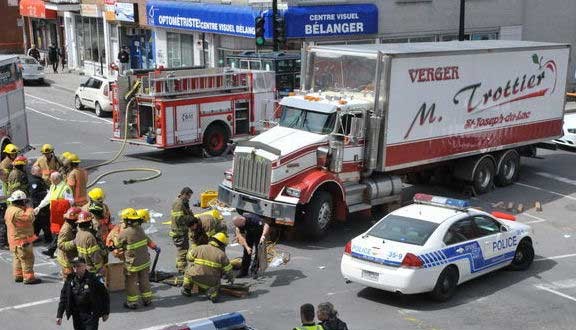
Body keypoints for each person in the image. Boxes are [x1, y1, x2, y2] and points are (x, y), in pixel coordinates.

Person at [114, 208, 159, 309]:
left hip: (133, 263)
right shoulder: (140, 229)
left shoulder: (124, 233)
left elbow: (117, 245)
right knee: (144, 280)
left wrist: (115, 237)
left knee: (131, 282)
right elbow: (146, 239)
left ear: (127, 220)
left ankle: (132, 302)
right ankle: (147, 299)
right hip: (144, 261)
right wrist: (154, 246)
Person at [56, 257, 110, 330]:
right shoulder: (70, 280)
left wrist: (105, 312)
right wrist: (59, 315)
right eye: (74, 266)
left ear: (85, 266)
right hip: (77, 315)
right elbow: (64, 298)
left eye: (78, 266)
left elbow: (105, 295)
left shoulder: (93, 279)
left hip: (90, 314)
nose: (76, 269)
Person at [181, 232, 233, 303]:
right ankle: (212, 294)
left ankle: (186, 289)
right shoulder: (222, 254)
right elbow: (228, 270)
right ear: (222, 244)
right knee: (216, 285)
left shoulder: (200, 248)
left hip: (196, 277)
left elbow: (189, 258)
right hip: (211, 282)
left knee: (189, 270)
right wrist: (231, 279)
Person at [5, 190, 41, 284]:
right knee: (27, 259)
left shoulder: (9, 209)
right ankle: (29, 278)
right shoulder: (18, 212)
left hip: (13, 240)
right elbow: (29, 218)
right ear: (21, 201)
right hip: (22, 240)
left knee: (17, 258)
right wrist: (30, 209)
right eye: (24, 201)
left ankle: (18, 275)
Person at [35, 171, 74, 258]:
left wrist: (59, 204)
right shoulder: (53, 186)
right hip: (55, 214)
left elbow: (71, 201)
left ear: (57, 179)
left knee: (60, 232)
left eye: (52, 179)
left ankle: (52, 250)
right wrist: (39, 207)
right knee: (58, 232)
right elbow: (47, 198)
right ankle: (54, 250)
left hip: (63, 215)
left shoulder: (65, 188)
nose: (50, 181)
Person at [233, 213, 270, 278]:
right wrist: (247, 247)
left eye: (241, 225)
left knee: (258, 252)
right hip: (250, 234)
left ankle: (254, 271)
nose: (241, 226)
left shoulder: (254, 219)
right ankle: (244, 271)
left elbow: (266, 225)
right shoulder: (240, 224)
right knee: (246, 252)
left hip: (259, 234)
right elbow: (242, 236)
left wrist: (263, 236)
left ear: (242, 219)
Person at [170, 187, 196, 274]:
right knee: (183, 250)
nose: (189, 198)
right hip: (179, 232)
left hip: (180, 231)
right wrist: (190, 219)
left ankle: (179, 265)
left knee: (181, 250)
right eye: (189, 196)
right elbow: (179, 219)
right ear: (185, 194)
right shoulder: (179, 204)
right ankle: (182, 269)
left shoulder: (182, 202)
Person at [56, 207, 81, 277]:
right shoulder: (66, 230)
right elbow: (60, 245)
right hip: (65, 257)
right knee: (69, 276)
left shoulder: (73, 226)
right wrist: (74, 242)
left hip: (72, 254)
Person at [29, 165, 51, 243]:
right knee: (45, 222)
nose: (41, 173)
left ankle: (34, 238)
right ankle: (48, 238)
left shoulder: (38, 179)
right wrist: (46, 193)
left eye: (40, 171)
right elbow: (34, 194)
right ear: (33, 172)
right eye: (39, 171)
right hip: (39, 204)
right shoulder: (34, 181)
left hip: (39, 204)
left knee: (37, 222)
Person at [0, 169, 9, 250]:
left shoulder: (3, 183)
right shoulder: (0, 184)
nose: (6, 176)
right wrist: (9, 196)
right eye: (5, 175)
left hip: (3, 204)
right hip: (1, 205)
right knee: (3, 224)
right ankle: (2, 243)